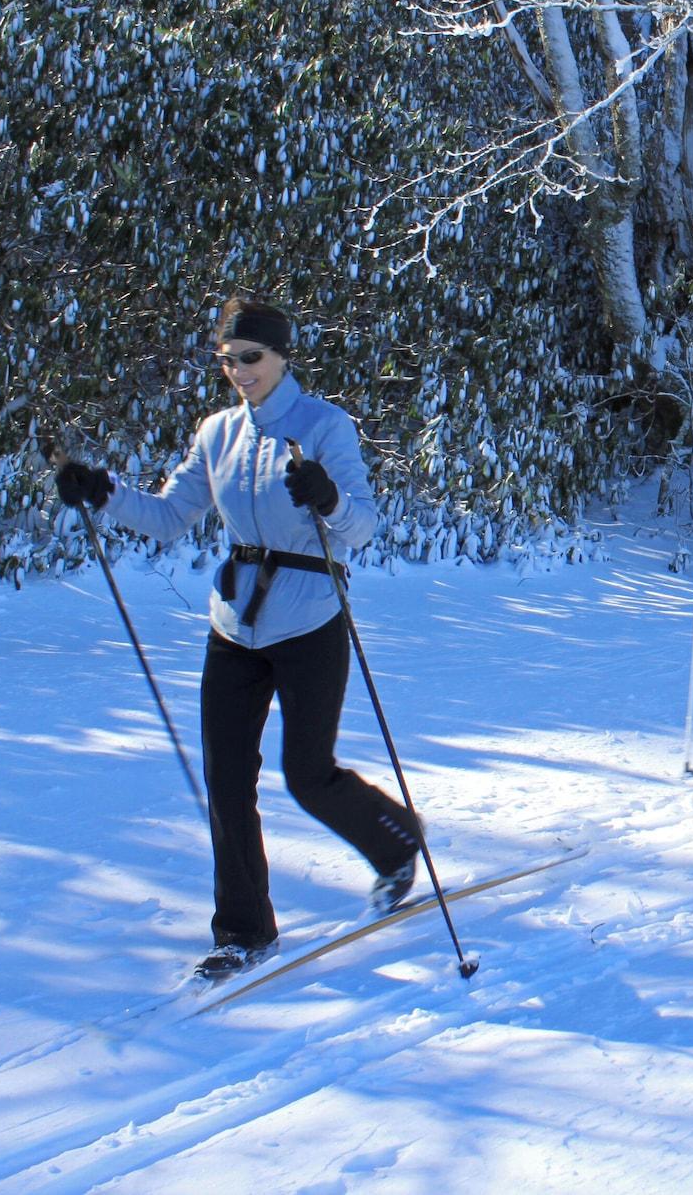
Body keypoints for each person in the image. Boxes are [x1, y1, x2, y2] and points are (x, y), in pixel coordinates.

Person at [55, 298, 422, 981]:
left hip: (311, 617)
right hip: (235, 623)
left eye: (250, 357)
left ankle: (396, 842)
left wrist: (329, 498)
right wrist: (103, 491)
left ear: (282, 356)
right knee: (227, 777)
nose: (238, 371)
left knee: (307, 773)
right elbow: (169, 517)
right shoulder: (218, 433)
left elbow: (363, 528)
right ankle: (244, 932)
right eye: (227, 360)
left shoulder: (325, 426)